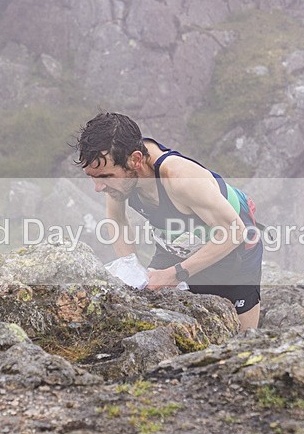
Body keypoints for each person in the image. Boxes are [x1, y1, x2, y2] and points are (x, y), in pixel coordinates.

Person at [74, 112, 263, 331]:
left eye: (105, 177)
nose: (98, 188)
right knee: (142, 309)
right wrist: (130, 265)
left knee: (242, 341)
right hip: (177, 242)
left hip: (235, 246)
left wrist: (175, 274)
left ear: (135, 160)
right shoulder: (117, 169)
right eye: (92, 177)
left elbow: (234, 231)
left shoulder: (179, 178)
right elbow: (117, 220)